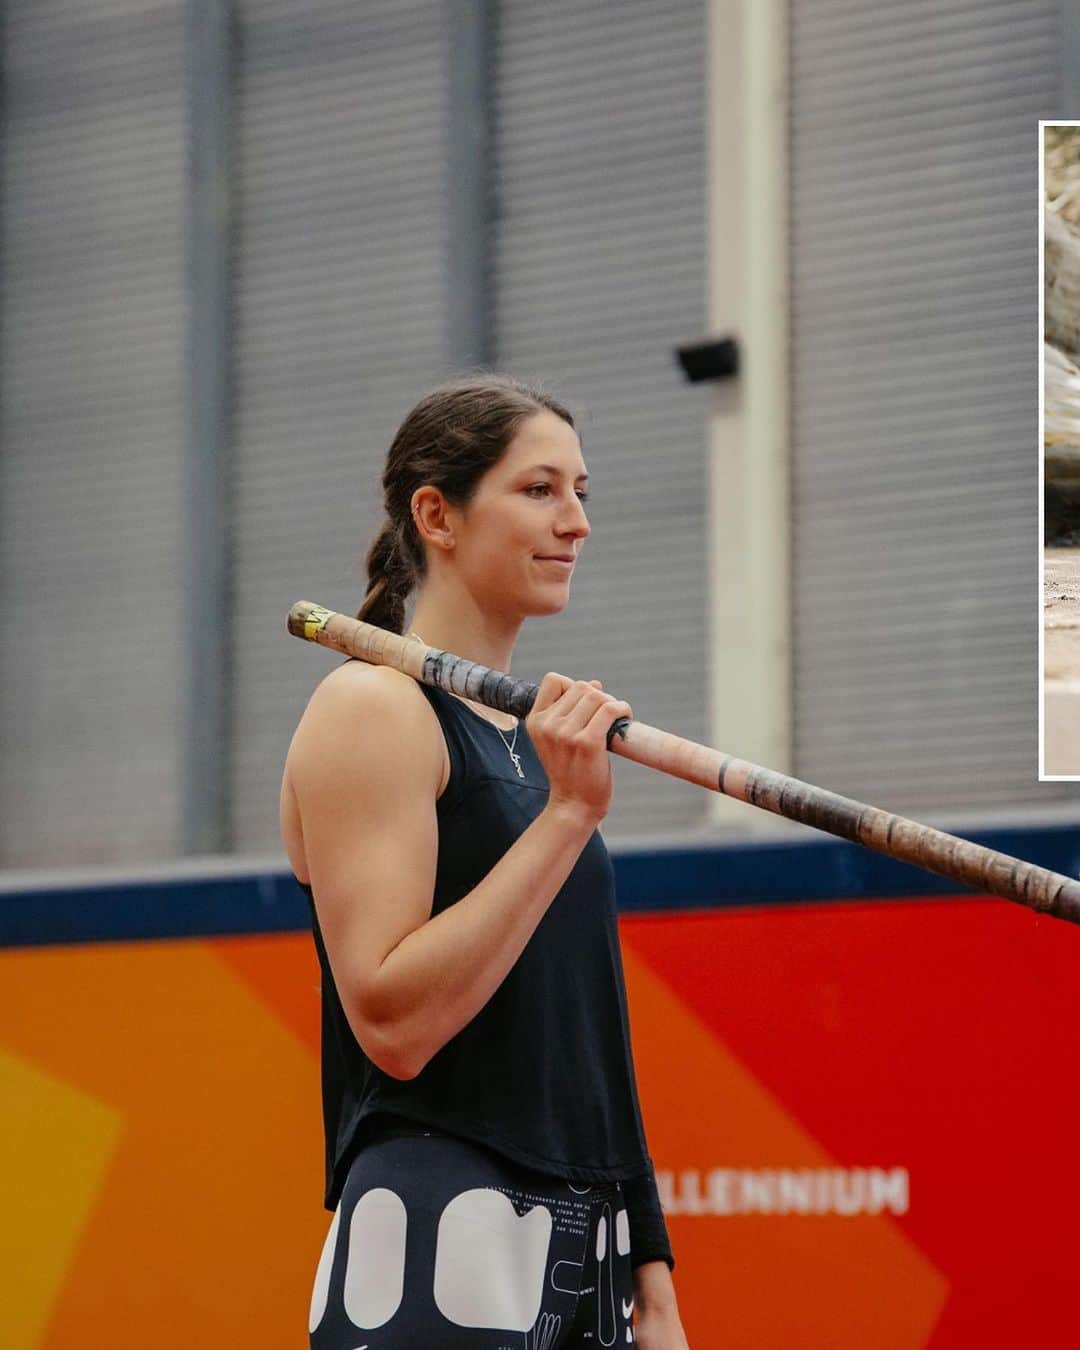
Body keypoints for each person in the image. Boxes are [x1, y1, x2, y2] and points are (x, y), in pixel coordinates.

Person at [280, 374, 689, 1349]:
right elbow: (392, 1020)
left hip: (586, 1245)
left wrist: (653, 1277)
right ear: (438, 514)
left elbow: (586, 1036)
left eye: (582, 490)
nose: (577, 522)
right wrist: (566, 818)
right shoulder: (372, 711)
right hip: (441, 1232)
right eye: (540, 490)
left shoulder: (522, 739)